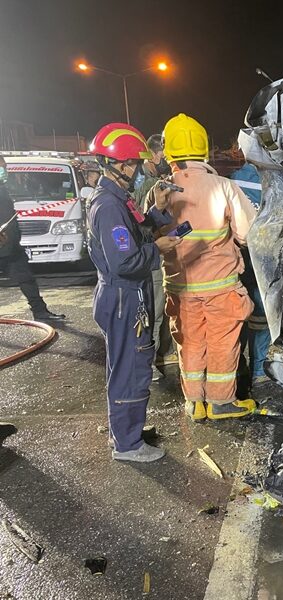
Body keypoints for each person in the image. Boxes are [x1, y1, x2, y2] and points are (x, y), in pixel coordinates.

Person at [153, 113, 257, 421]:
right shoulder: (223, 187)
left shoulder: (159, 191)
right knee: (222, 343)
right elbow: (247, 234)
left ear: (168, 150)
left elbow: (152, 232)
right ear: (204, 148)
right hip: (220, 285)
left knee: (190, 343)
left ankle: (194, 402)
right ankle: (221, 402)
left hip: (179, 288)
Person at [87, 122, 181, 462]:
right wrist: (159, 249)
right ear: (118, 165)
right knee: (131, 369)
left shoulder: (119, 199)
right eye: (134, 164)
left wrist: (157, 211)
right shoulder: (109, 207)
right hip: (125, 297)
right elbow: (125, 262)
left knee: (126, 366)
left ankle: (125, 431)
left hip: (125, 296)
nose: (138, 169)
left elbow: (137, 232)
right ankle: (128, 446)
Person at [133, 134, 178, 380]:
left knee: (156, 311)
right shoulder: (145, 184)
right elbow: (143, 225)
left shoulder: (149, 181)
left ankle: (158, 355)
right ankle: (146, 364)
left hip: (151, 253)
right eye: (160, 153)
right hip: (149, 255)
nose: (162, 158)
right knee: (153, 312)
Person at [0, 155, 66, 321]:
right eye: (1, 167)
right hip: (3, 245)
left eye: (4, 167)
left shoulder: (3, 188)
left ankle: (40, 312)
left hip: (11, 247)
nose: (4, 171)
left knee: (26, 279)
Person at [229, 162, 270, 390]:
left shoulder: (230, 180)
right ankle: (258, 370)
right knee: (261, 317)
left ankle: (237, 368)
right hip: (260, 258)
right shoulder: (271, 178)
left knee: (237, 317)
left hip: (234, 259)